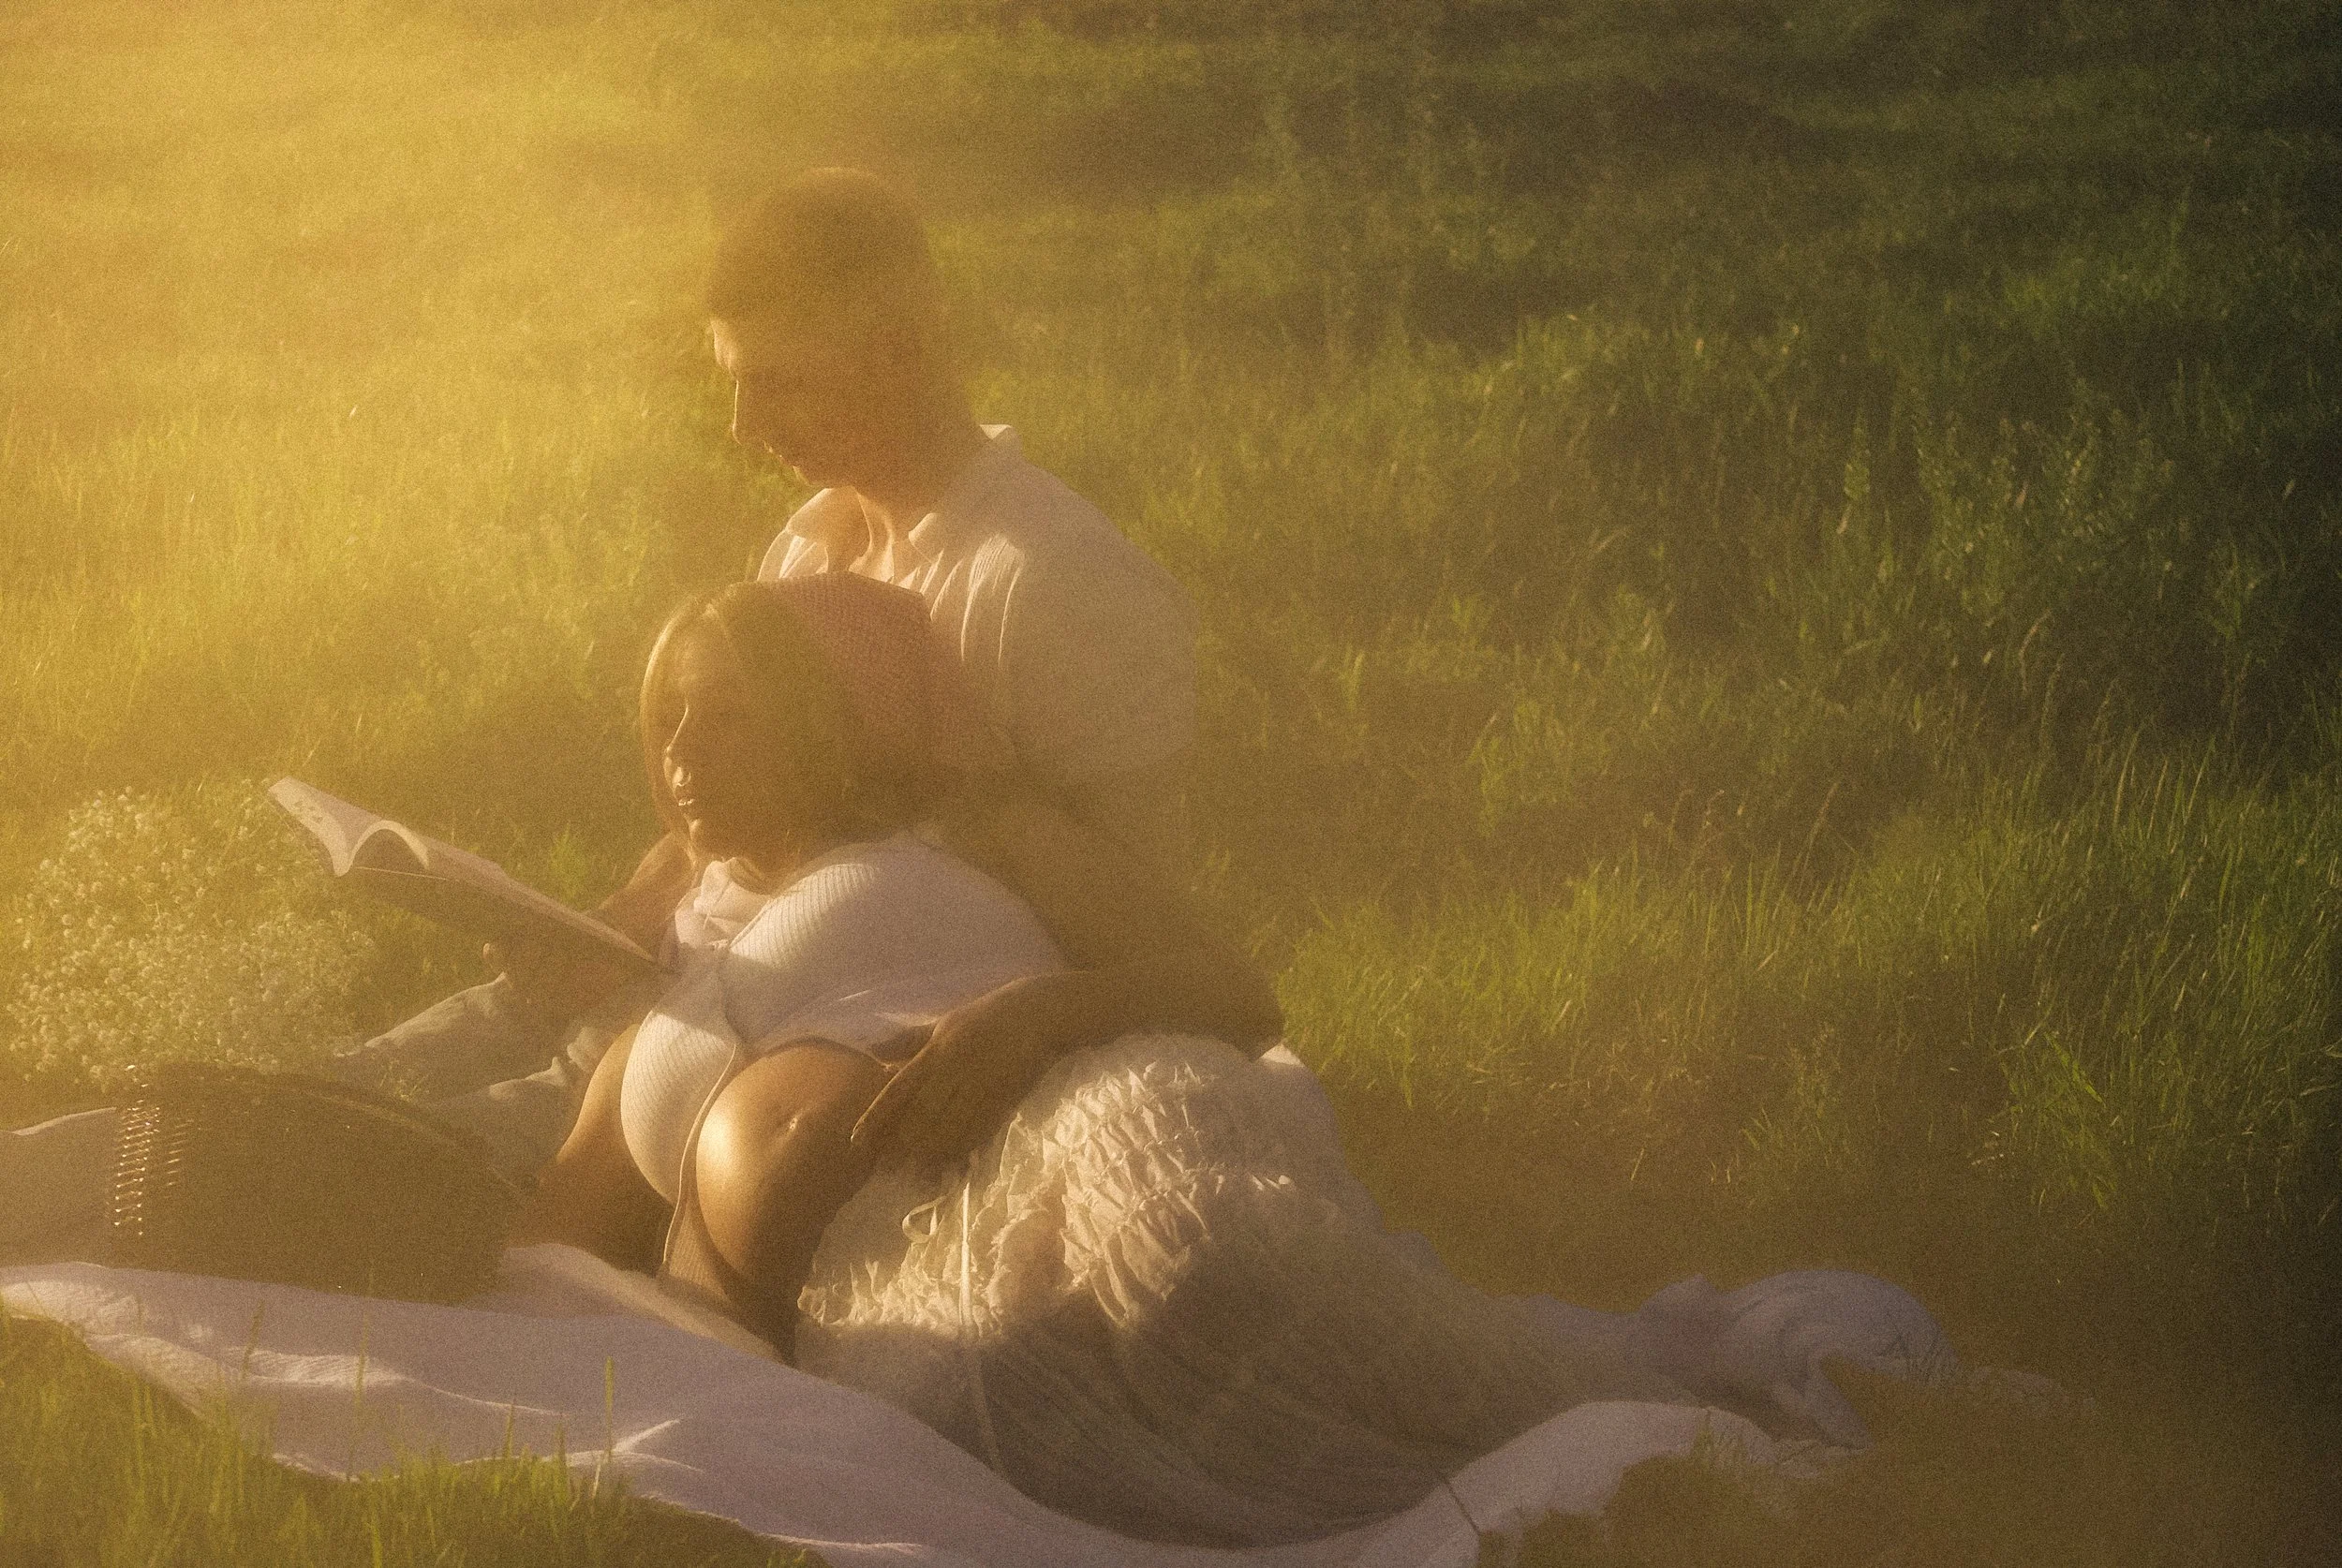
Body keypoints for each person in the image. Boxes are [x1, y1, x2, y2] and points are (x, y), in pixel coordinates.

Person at [517, 573, 1696, 1546]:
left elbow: (1237, 993)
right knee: (1007, 1413)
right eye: (665, 717)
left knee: (1194, 1276)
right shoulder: (646, 1020)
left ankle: (1648, 1438)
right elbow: (545, 1259)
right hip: (882, 1299)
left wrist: (1035, 1016)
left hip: (1068, 1112)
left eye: (724, 712)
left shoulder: (970, 831)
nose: (683, 747)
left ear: (813, 714)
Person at [342, 165, 1204, 1184]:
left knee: (371, 1167)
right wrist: (618, 920)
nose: (745, 427)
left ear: (905, 351)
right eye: (732, 381)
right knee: (338, 1083)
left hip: (795, 1044)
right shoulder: (805, 547)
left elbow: (1155, 926)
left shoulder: (1054, 580)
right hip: (679, 974)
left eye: (780, 380)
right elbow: (740, 808)